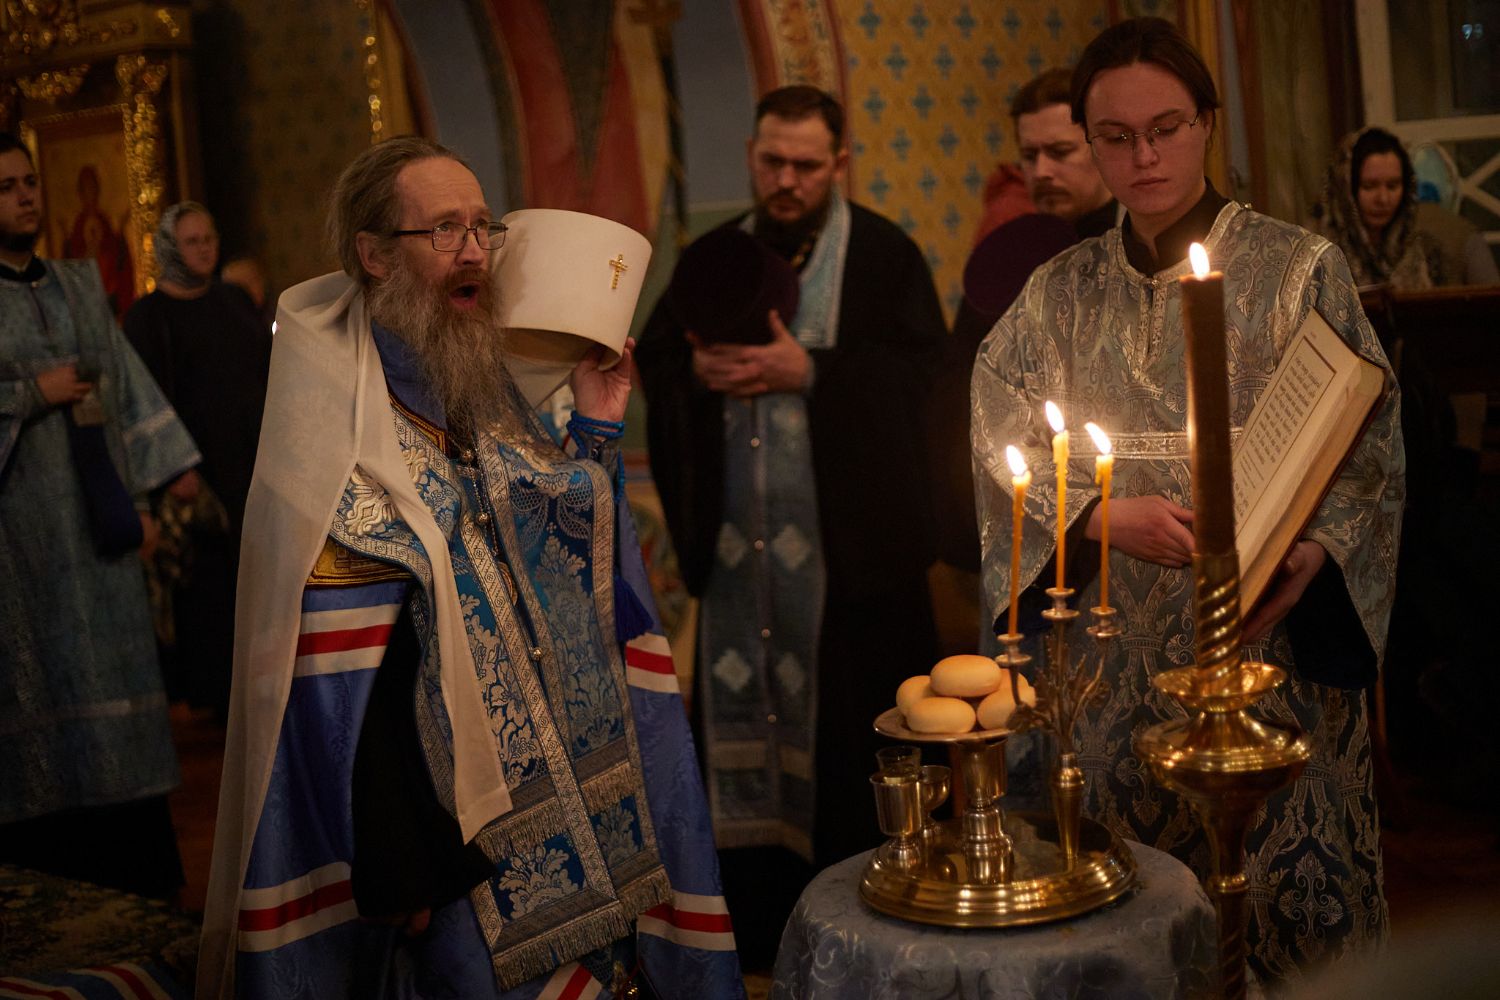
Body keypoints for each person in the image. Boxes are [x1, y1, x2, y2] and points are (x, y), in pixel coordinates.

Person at [198, 136, 741, 1000]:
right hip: (451, 848)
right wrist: (403, 861)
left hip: (578, 806)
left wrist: (596, 429)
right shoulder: (326, 441)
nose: (475, 252)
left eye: (483, 226)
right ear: (375, 254)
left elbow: (562, 557)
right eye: (444, 229)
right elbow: (341, 682)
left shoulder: (480, 391)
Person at [970, 18, 1404, 988]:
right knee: (1135, 921)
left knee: (1281, 914)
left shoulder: (1299, 268)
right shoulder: (1056, 293)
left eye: (1165, 128)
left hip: (1266, 653)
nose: (1144, 157)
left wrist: (1316, 552)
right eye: (1115, 137)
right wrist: (1093, 516)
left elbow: (1371, 449)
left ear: (1207, 121)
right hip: (1112, 669)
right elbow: (994, 431)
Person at [636, 84, 946, 966]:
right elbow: (658, 362)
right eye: (772, 161)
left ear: (839, 163)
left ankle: (875, 954)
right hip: (743, 578)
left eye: (806, 166)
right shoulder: (714, 260)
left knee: (854, 772)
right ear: (751, 154)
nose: (786, 180)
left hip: (851, 591)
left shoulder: (883, 257)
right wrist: (694, 377)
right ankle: (762, 955)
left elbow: (926, 390)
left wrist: (808, 372)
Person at [0, 132, 200, 900]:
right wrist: (29, 393)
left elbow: (126, 383)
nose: (25, 195)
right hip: (20, 550)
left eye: (28, 181)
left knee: (122, 732)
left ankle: (142, 895)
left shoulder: (81, 286)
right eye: (6, 186)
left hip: (99, 533)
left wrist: (158, 485)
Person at [939, 67, 1121, 577]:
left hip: (1122, 522)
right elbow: (961, 394)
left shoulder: (1134, 248)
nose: (1041, 171)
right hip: (1024, 528)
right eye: (1029, 155)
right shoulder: (1008, 254)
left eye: (1059, 152)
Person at [125, 203, 272, 716]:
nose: (205, 249)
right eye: (192, 241)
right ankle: (218, 699)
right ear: (171, 248)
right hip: (194, 475)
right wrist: (171, 469)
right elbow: (141, 400)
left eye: (209, 238)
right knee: (211, 591)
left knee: (260, 579)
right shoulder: (148, 318)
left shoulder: (234, 299)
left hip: (252, 463)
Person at [1311, 125, 1499, 290]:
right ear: (1346, 190)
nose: (1383, 199)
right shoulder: (1317, 256)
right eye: (1369, 186)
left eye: (1393, 186)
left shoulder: (1421, 252)